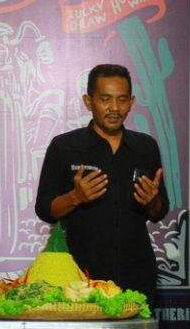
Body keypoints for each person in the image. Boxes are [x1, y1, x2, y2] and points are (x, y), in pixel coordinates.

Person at [35, 63, 169, 306]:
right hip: (79, 277)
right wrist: (75, 197)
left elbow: (159, 212)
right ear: (88, 102)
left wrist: (152, 201)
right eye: (105, 99)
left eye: (122, 99)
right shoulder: (64, 147)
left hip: (137, 275)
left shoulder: (145, 147)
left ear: (131, 102)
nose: (115, 108)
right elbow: (45, 209)